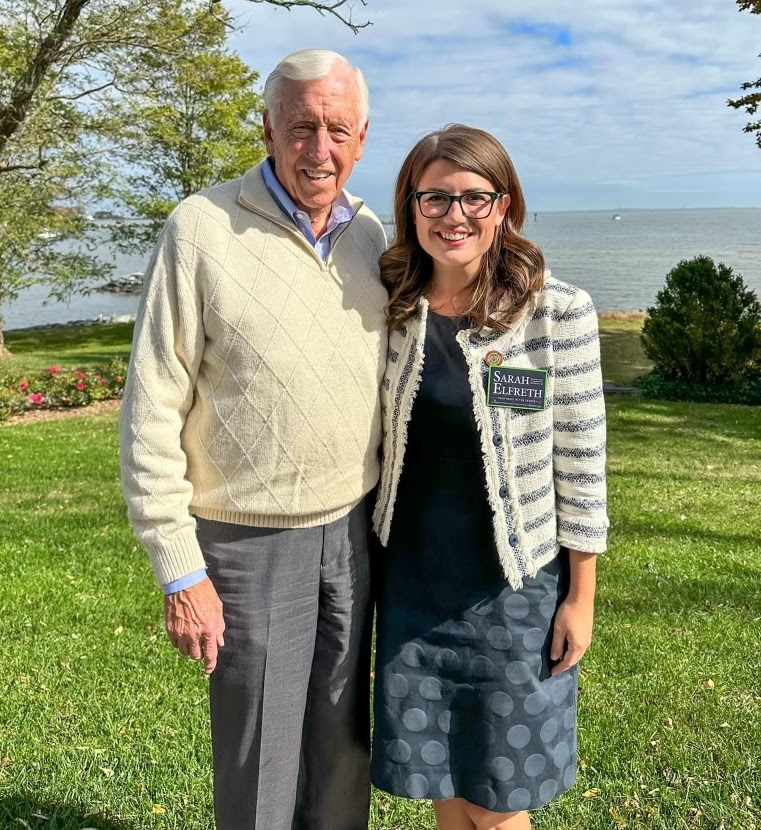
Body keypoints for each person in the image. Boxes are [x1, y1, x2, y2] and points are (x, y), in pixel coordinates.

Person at [119, 49, 388, 830]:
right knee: (259, 758)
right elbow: (150, 406)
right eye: (301, 126)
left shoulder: (369, 234)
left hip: (353, 531)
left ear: (362, 137)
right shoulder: (200, 228)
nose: (319, 148)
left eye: (337, 129)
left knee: (342, 747)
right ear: (267, 129)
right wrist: (179, 570)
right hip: (245, 540)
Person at [371, 124, 609, 830]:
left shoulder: (555, 313)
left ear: (504, 206)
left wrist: (580, 595)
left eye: (474, 197)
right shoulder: (389, 310)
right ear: (410, 207)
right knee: (445, 788)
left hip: (514, 591)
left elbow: (580, 459)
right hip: (412, 587)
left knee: (499, 805)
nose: (454, 216)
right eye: (434, 198)